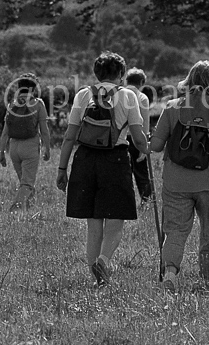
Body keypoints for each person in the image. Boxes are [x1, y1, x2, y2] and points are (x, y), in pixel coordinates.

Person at [57, 51, 150, 287]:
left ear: (96, 74)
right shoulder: (128, 96)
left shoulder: (83, 95)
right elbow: (138, 138)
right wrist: (148, 150)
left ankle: (97, 277)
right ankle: (104, 260)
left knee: (93, 224)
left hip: (85, 160)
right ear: (120, 74)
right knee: (116, 220)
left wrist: (61, 169)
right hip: (115, 160)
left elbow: (70, 137)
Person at [149, 60, 209, 291]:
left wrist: (145, 140)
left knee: (176, 231)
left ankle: (170, 273)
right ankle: (207, 279)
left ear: (188, 82)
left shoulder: (172, 108)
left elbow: (157, 145)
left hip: (176, 182)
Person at [0, 73, 51, 212]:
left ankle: (27, 211)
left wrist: (2, 152)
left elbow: (5, 132)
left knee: (24, 183)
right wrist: (48, 148)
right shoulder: (38, 103)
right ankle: (15, 208)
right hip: (30, 147)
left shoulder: (12, 104)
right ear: (33, 89)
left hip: (14, 148)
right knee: (27, 184)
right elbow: (44, 130)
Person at [125, 67, 152, 203]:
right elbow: (145, 124)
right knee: (141, 173)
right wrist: (145, 144)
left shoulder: (118, 94)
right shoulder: (142, 97)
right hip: (137, 138)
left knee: (123, 173)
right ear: (141, 82)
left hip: (121, 138)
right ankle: (146, 200)